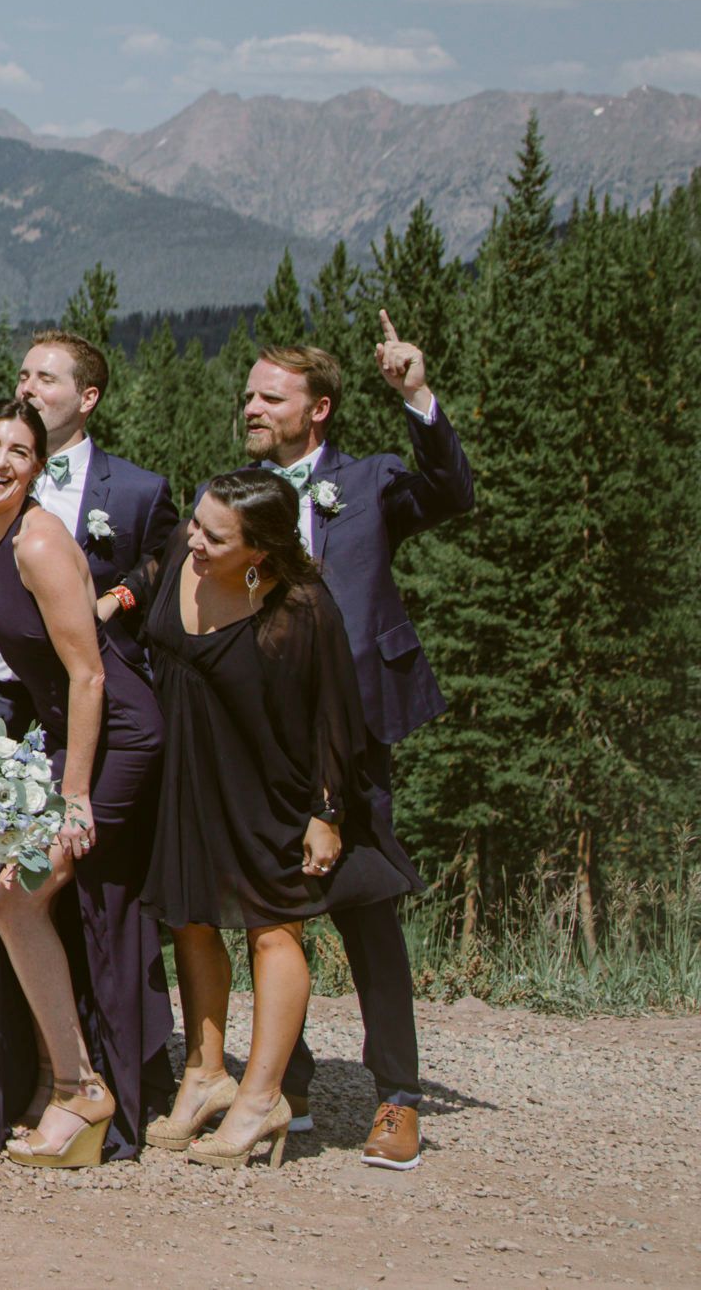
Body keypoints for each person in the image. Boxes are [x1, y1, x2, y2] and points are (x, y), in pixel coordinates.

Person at [118, 470, 421, 1170]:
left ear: (257, 551)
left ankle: (262, 1096)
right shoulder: (182, 556)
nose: (193, 537)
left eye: (213, 535)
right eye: (195, 521)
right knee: (192, 918)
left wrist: (326, 812)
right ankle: (204, 1072)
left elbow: (333, 716)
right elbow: (149, 574)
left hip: (269, 789)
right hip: (189, 778)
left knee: (271, 929)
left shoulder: (302, 605)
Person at [225, 322, 471, 1168]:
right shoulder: (237, 492)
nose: (251, 407)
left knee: (368, 905)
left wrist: (416, 396)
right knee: (272, 904)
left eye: (270, 397)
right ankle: (283, 1081)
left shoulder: (365, 483)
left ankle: (396, 1097)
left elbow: (449, 490)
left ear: (318, 410)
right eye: (250, 394)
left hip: (357, 726)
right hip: (266, 735)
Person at [0, 399, 168, 1166]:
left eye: (21, 450)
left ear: (38, 468)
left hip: (115, 734)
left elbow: (87, 674)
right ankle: (64, 1079)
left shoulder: (40, 540)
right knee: (18, 901)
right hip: (74, 734)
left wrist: (74, 794)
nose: (3, 460)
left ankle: (82, 1087)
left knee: (18, 897)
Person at [0, 331, 174, 744]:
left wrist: (114, 601)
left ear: (87, 398)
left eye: (46, 379)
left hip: (83, 696)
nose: (27, 389)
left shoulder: (137, 490)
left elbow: (165, 560)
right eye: (23, 376)